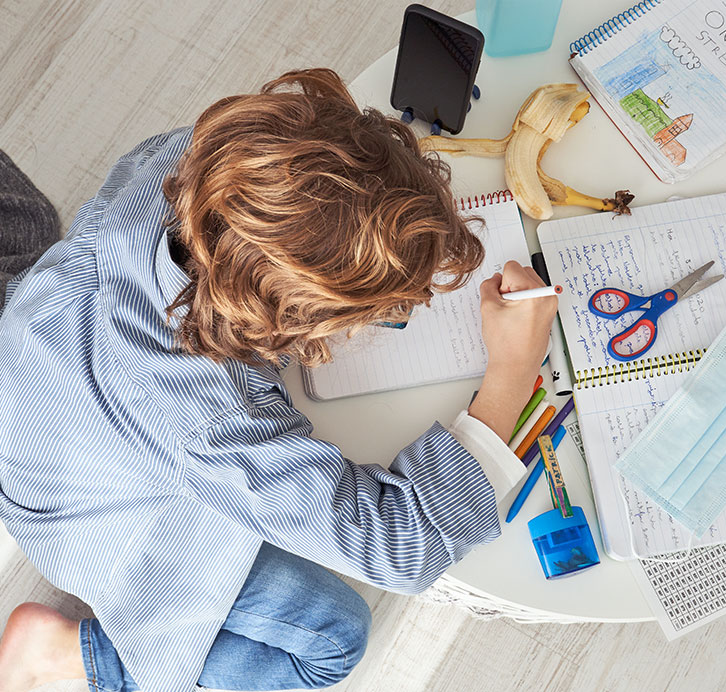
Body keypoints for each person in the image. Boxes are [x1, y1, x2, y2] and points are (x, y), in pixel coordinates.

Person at [0, 69, 556, 692]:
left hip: (34, 352)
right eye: (383, 313)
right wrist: (512, 371)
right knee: (331, 643)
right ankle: (69, 659)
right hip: (83, 509)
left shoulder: (183, 156)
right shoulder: (206, 415)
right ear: (291, 320)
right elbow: (402, 547)